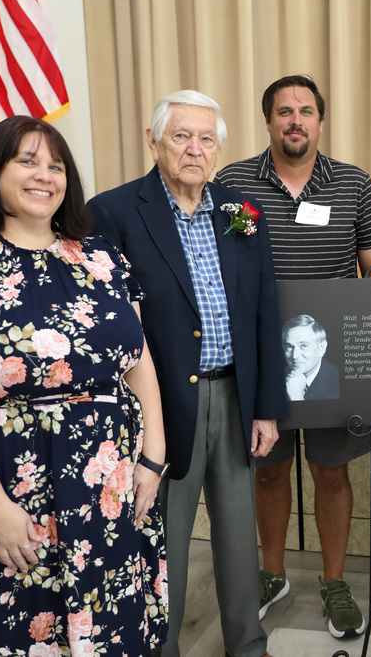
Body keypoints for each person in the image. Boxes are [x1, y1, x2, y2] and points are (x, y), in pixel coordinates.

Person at [0, 116, 167, 654]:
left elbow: (138, 358)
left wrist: (153, 458)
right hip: (12, 486)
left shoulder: (103, 259)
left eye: (55, 165)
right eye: (27, 161)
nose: (44, 176)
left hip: (110, 485)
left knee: (112, 629)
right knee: (26, 630)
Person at [87, 90, 286, 657]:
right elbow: (107, 319)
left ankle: (248, 645)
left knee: (236, 536)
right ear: (154, 142)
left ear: (219, 148)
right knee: (163, 537)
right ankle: (160, 645)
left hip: (236, 396)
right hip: (161, 402)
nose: (194, 149)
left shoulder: (241, 211)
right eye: (181, 136)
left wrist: (266, 404)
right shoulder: (114, 211)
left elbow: (262, 307)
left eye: (206, 138)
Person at [214, 74, 371, 636]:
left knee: (331, 471)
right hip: (262, 359)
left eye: (306, 111)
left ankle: (334, 581)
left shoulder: (355, 185)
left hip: (330, 360)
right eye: (284, 111)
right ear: (267, 121)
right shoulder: (233, 183)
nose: (296, 120)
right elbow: (225, 259)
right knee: (268, 472)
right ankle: (272, 573)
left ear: (320, 121)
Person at [282, 315, 339, 401]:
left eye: (303, 346)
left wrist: (296, 396)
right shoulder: (277, 378)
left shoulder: (337, 382)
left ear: (321, 348)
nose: (295, 356)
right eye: (289, 347)